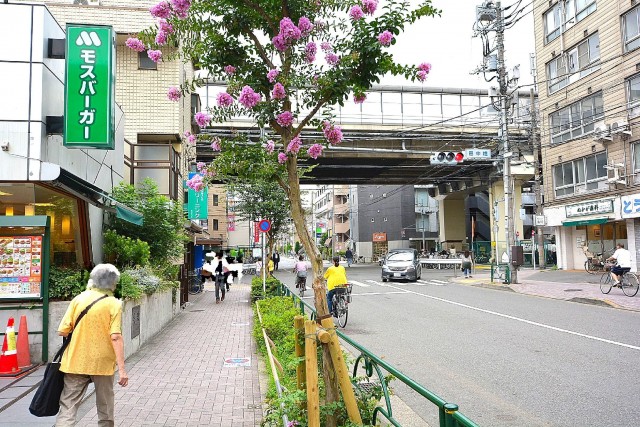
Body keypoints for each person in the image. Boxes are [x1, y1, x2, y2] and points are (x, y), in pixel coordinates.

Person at [56, 263, 128, 427]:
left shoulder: (78, 299)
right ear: (112, 283)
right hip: (102, 363)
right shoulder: (113, 303)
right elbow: (115, 337)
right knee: (105, 405)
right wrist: (122, 370)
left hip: (75, 360)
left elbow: (63, 331)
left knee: (68, 406)